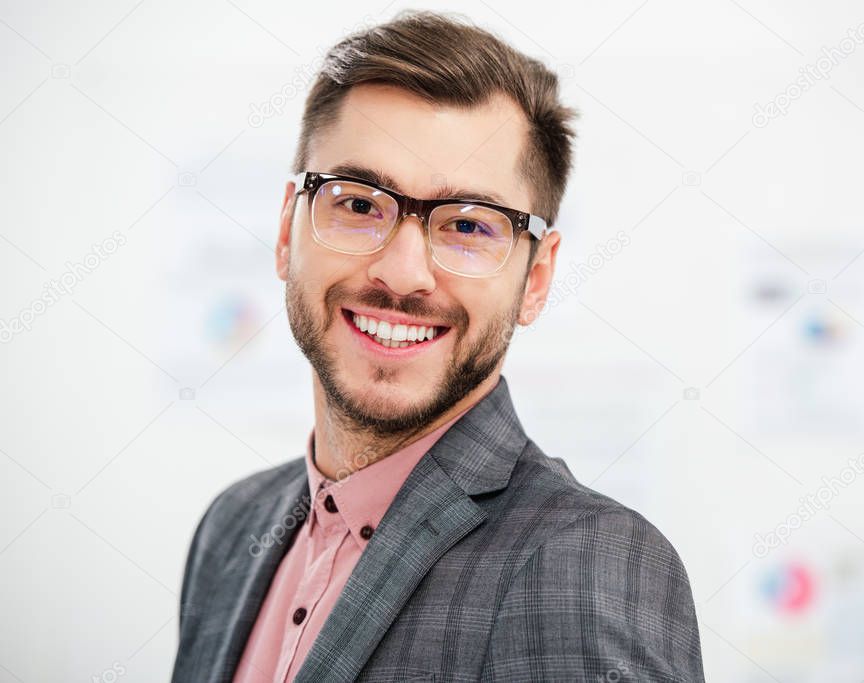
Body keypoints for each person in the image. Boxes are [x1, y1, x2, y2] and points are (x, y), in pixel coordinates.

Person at [172, 10, 704, 682]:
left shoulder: (585, 562)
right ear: (287, 230)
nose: (401, 274)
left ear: (535, 278)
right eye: (359, 203)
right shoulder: (232, 526)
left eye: (468, 225)